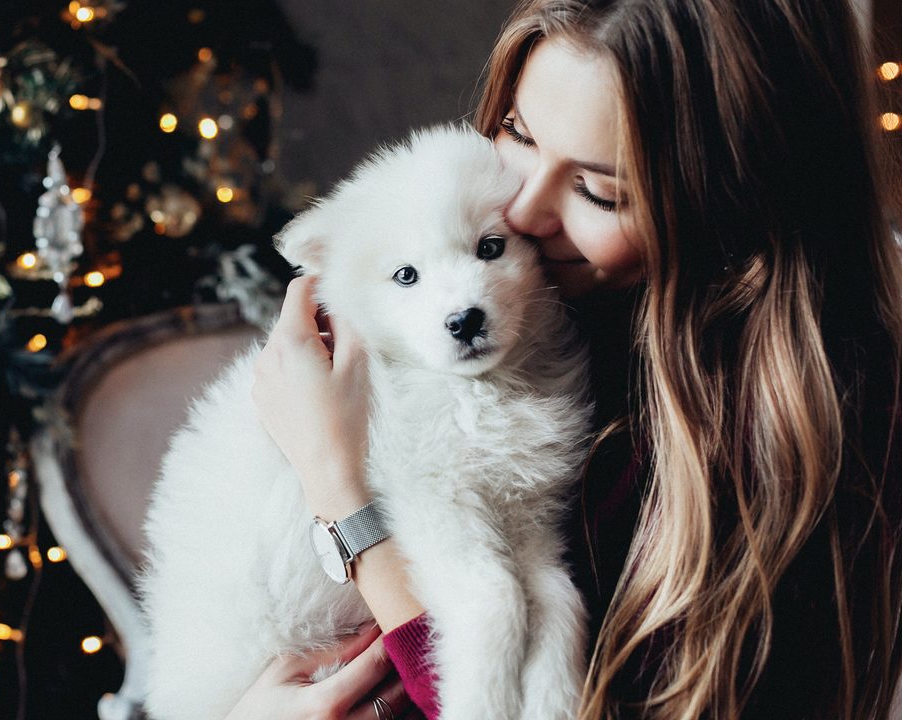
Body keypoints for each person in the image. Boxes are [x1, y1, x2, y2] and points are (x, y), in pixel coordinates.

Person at [231, 0, 902, 717]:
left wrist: (339, 489)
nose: (517, 212)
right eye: (518, 132)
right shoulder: (546, 312)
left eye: (598, 190)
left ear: (731, 202)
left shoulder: (776, 430)